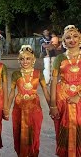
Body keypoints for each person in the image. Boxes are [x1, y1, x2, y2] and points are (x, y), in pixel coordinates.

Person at [6, 45, 50, 157]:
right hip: (19, 107)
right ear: (19, 60)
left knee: (34, 131)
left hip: (34, 106)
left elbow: (45, 90)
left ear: (33, 60)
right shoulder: (16, 74)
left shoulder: (38, 74)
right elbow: (11, 92)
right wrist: (6, 108)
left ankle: (33, 153)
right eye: (22, 59)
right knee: (19, 132)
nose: (25, 61)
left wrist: (52, 107)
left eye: (28, 58)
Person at [50, 25, 81, 157]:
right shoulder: (59, 59)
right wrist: (53, 105)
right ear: (63, 42)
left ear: (80, 39)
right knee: (63, 128)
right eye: (68, 37)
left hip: (79, 98)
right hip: (62, 99)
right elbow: (53, 80)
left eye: (75, 36)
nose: (72, 39)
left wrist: (78, 96)